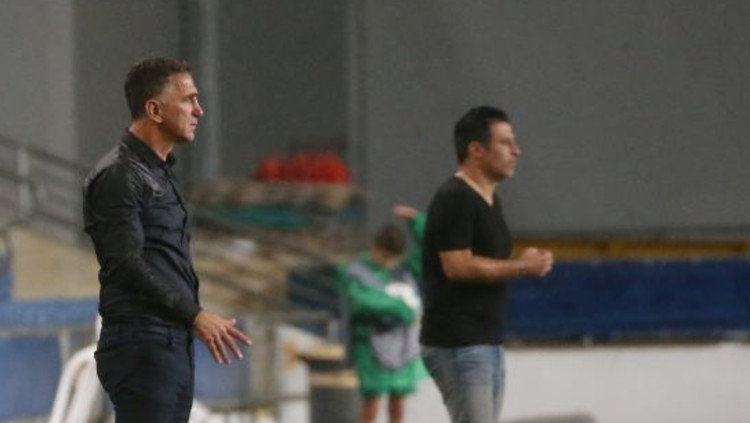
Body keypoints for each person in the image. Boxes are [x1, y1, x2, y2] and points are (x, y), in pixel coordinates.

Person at [83, 57, 252, 422]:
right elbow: (124, 264)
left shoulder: (160, 173)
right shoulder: (119, 175)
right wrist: (195, 315)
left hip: (168, 343)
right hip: (142, 344)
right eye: (189, 100)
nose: (199, 110)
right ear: (155, 110)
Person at [420, 106, 554, 423]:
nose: (516, 151)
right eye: (505, 143)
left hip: (485, 340)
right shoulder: (456, 197)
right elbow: (458, 266)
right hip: (460, 342)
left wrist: (524, 262)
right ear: (476, 150)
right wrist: (522, 266)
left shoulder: (490, 200)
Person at [339, 205, 428, 423]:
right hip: (371, 348)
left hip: (404, 346)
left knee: (399, 403)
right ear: (374, 248)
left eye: (393, 258)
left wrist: (417, 222)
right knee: (372, 403)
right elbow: (362, 303)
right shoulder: (356, 273)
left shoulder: (403, 270)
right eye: (385, 256)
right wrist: (399, 307)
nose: (388, 262)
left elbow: (429, 250)